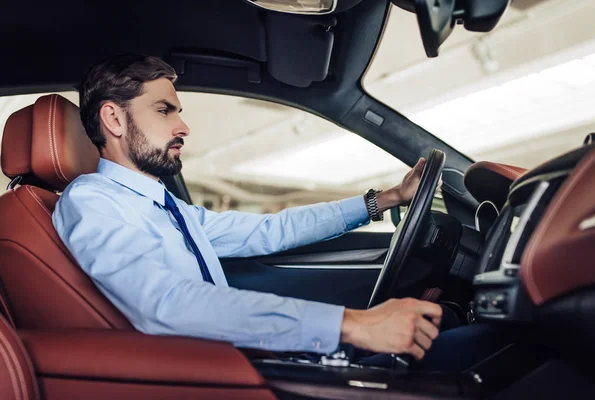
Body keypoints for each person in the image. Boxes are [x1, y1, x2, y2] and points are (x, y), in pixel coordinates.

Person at [52, 53, 445, 364]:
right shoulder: (92, 201)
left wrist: (385, 200)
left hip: (232, 362)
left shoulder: (167, 208)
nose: (183, 127)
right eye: (164, 110)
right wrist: (352, 324)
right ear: (114, 119)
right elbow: (164, 303)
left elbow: (271, 231)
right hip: (203, 377)